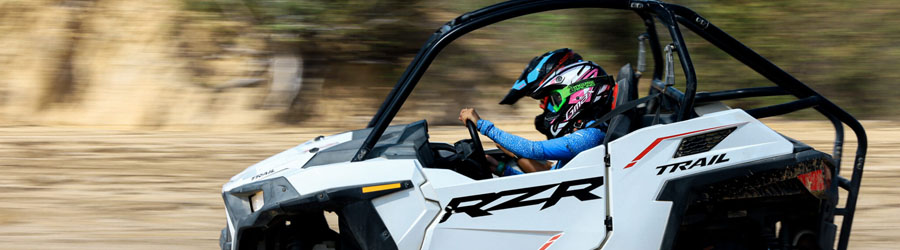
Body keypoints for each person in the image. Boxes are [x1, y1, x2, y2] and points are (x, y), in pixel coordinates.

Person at [459, 48, 618, 176]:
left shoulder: (591, 136)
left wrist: (482, 125)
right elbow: (548, 181)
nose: (549, 109)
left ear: (579, 94)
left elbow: (533, 149)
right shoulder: (585, 135)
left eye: (555, 100)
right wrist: (501, 169)